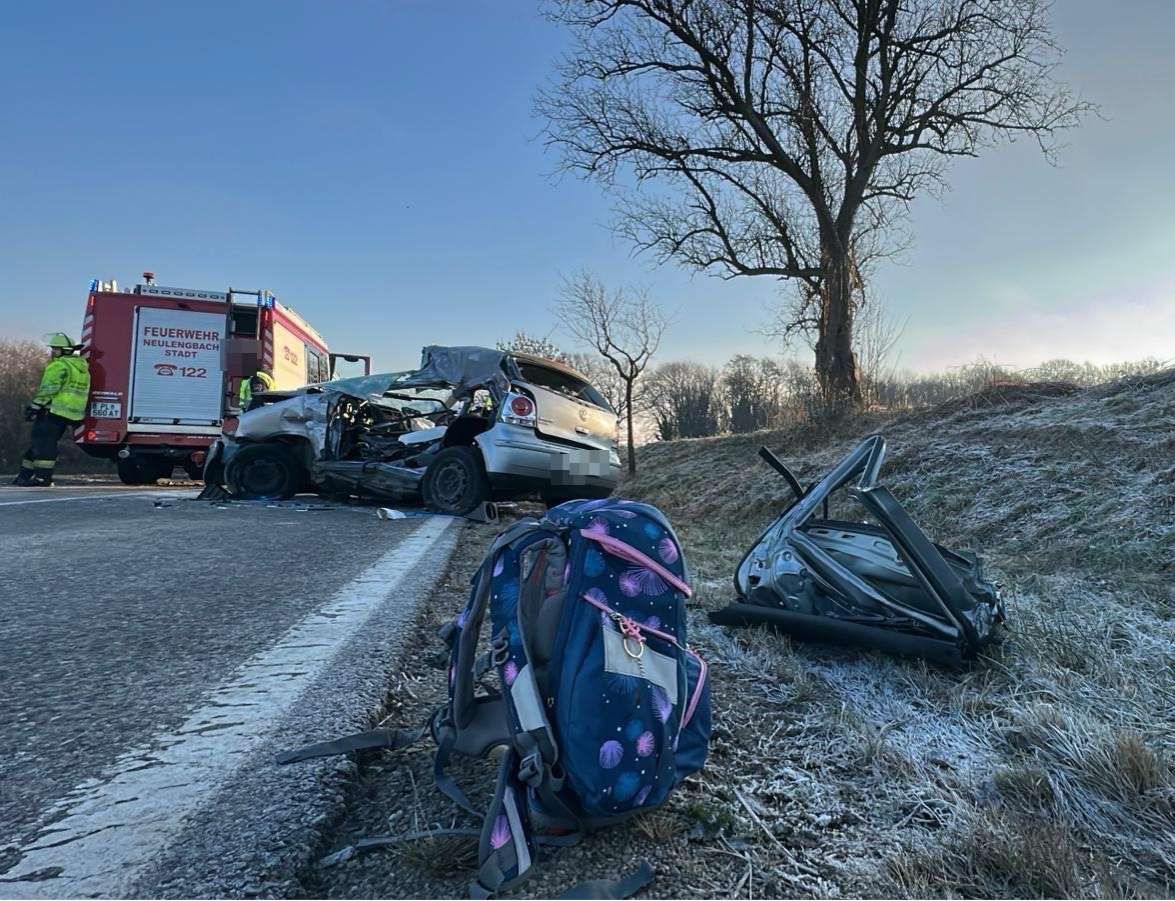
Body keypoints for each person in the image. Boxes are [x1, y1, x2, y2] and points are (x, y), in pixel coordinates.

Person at [13, 333, 91, 487]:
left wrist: (34, 407)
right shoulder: (81, 367)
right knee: (39, 443)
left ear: (64, 350)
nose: (52, 351)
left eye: (55, 348)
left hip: (53, 411)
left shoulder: (59, 365)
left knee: (44, 444)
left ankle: (43, 478)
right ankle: (23, 476)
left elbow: (48, 390)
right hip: (69, 414)